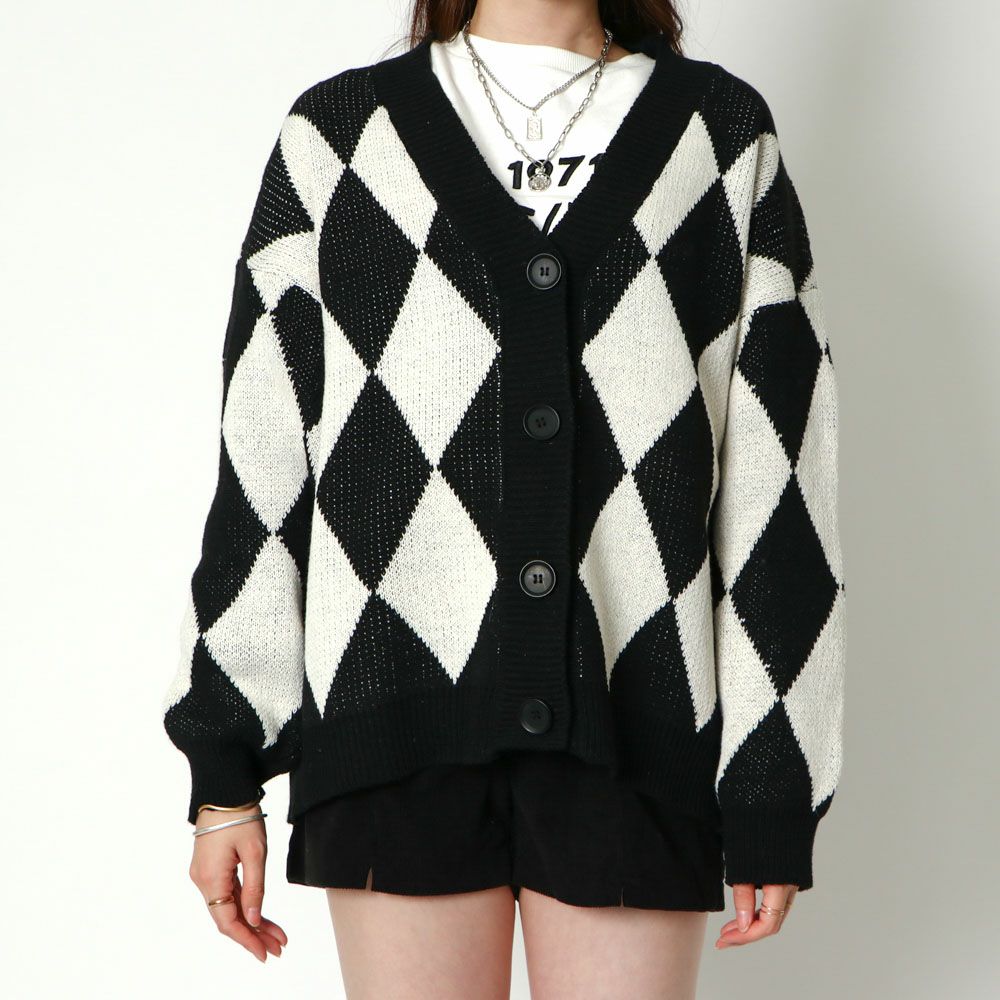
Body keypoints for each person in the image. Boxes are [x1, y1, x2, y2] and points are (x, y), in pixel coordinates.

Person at [163, 1, 847, 996]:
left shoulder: (719, 135)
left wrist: (772, 782)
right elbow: (264, 463)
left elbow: (777, 482)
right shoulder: (341, 136)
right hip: (391, 715)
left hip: (637, 724)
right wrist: (224, 773)